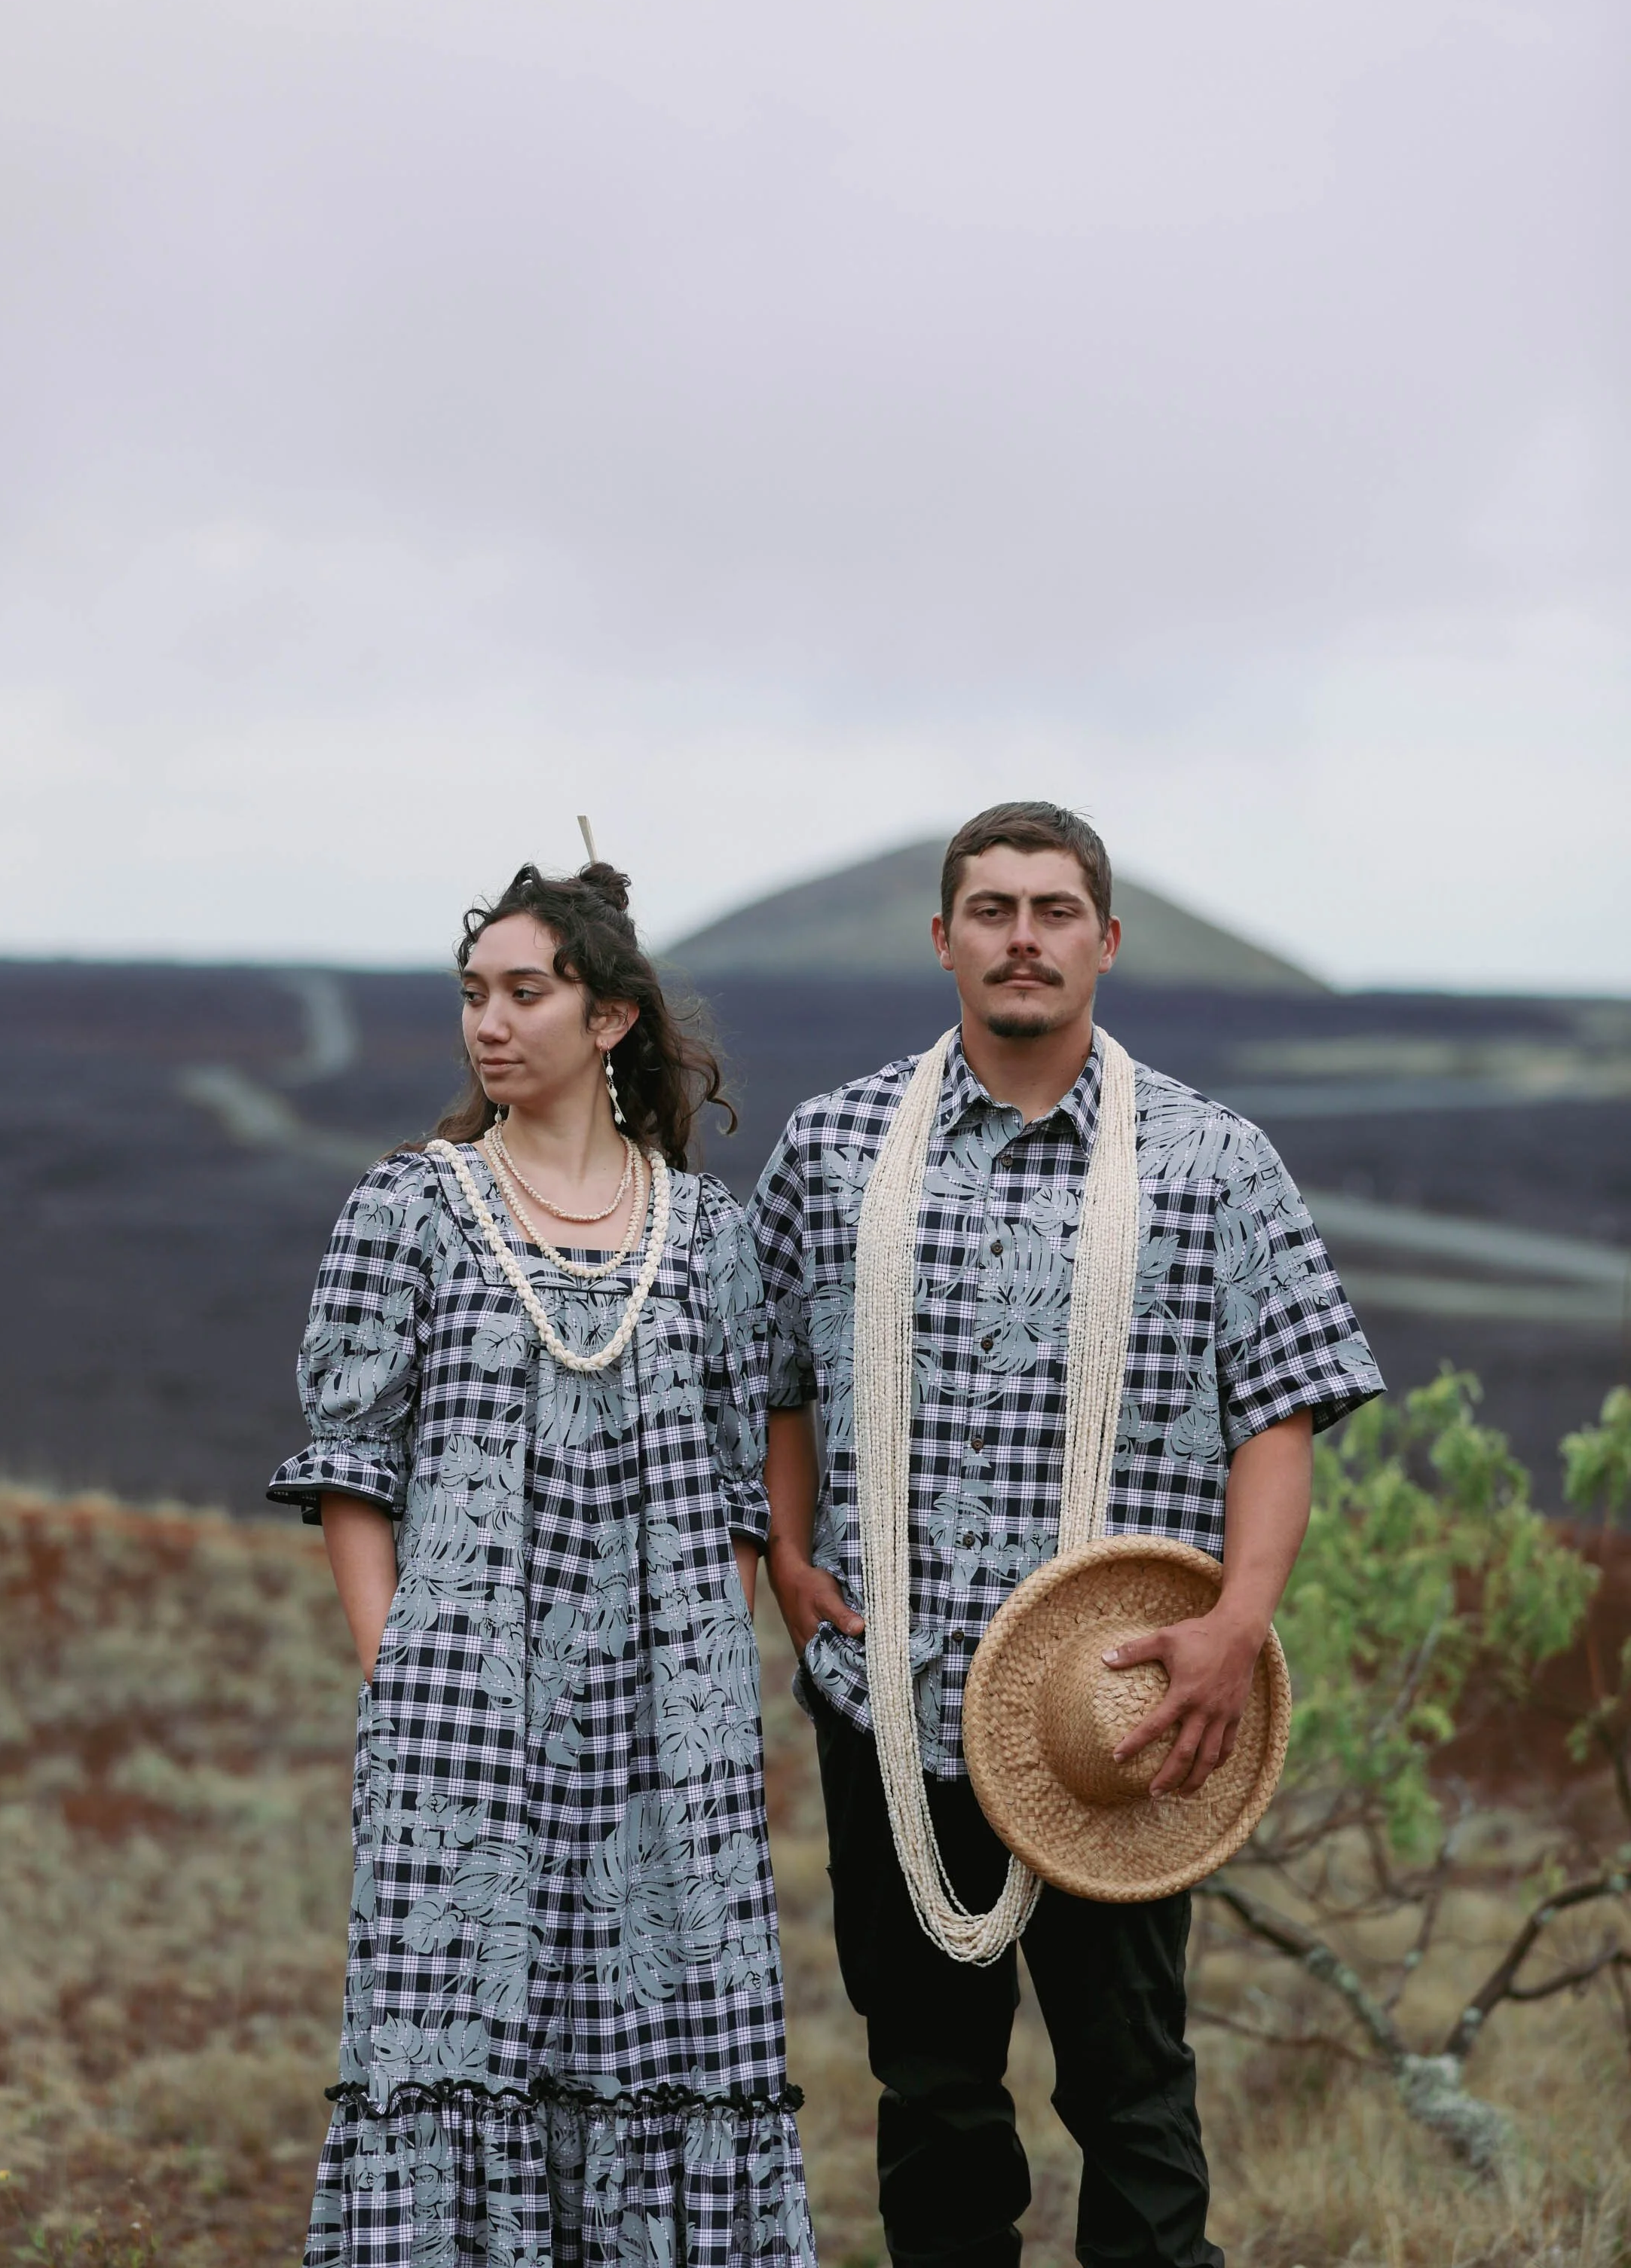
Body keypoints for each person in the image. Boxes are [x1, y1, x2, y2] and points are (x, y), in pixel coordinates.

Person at [751, 800, 1383, 2268]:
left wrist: (1235, 1628)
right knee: (932, 2099)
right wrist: (786, 1554)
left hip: (1124, 1720)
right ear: (944, 939)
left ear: (1106, 940)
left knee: (1132, 2093)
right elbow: (772, 1378)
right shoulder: (835, 1149)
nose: (1022, 938)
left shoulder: (1212, 1161)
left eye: (1053, 912)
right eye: (992, 910)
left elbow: (1277, 1416)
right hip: (891, 1698)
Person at [268, 857, 814, 2268]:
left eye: (525, 993)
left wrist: (707, 1687)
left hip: (667, 1723)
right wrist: (402, 1673)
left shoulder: (711, 1236)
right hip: (463, 1707)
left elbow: (740, 1491)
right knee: (453, 2038)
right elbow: (351, 1466)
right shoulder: (408, 1208)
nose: (489, 1024)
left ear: (610, 1017)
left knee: (669, 2033)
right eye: (474, 995)